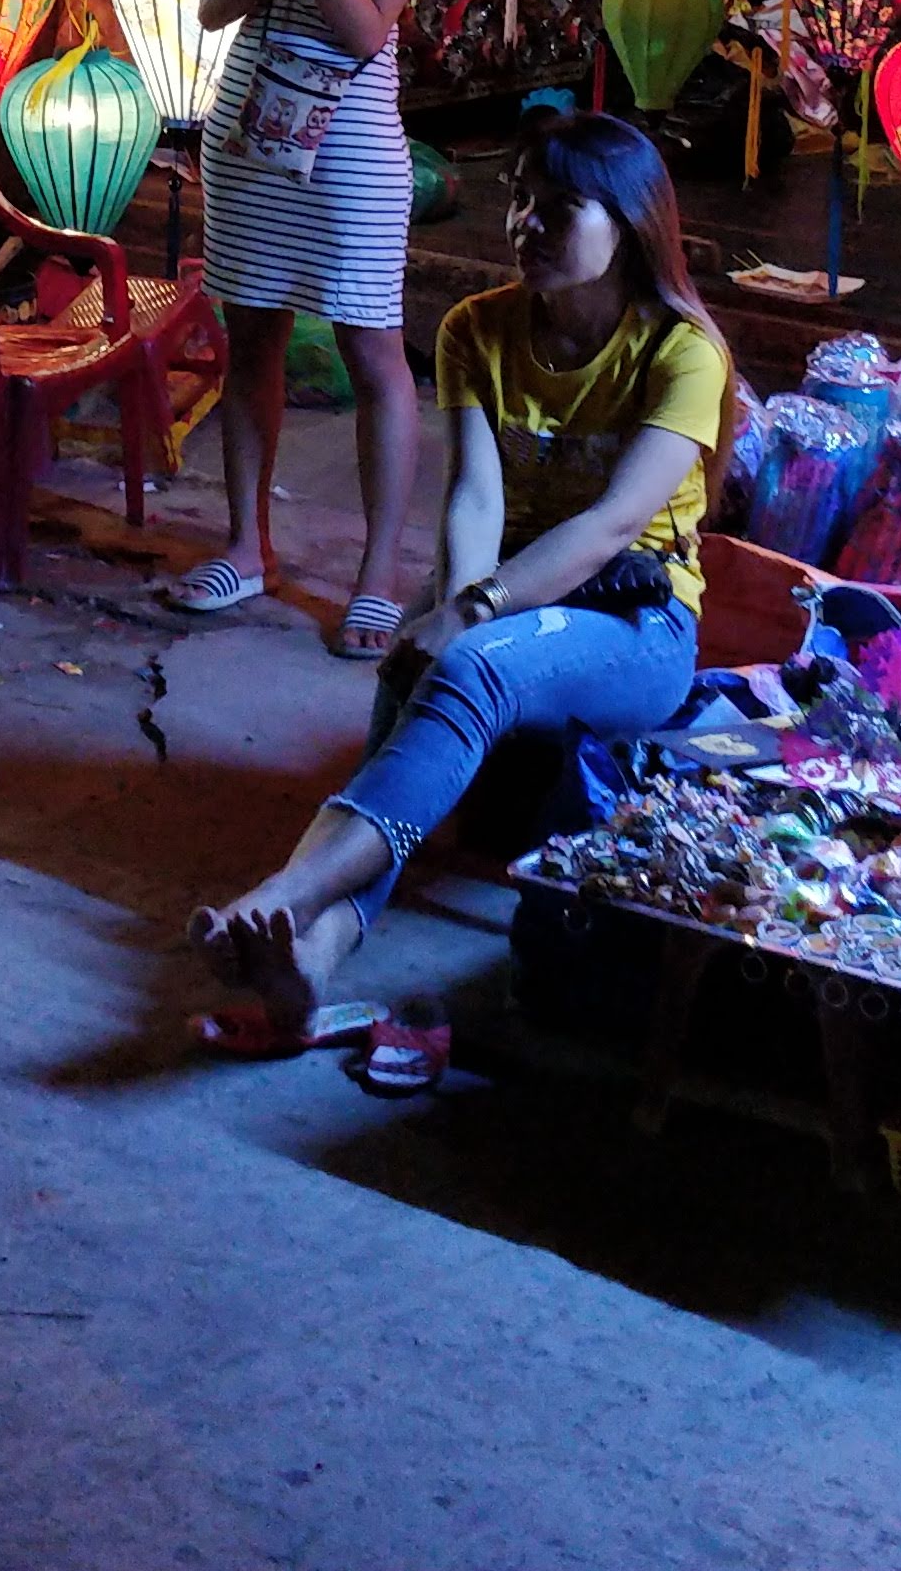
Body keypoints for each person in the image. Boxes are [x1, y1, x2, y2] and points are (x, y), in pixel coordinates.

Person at [190, 112, 730, 1050]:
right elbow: (475, 499)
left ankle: (288, 890)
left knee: (468, 665)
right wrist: (454, 613)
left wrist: (474, 617)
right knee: (421, 674)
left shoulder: (682, 352)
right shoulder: (476, 328)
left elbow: (608, 530)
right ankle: (308, 963)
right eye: (520, 199)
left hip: (635, 625)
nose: (527, 225)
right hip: (517, 602)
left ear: (633, 225)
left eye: (561, 209)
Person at [169, 0, 445, 655]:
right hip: (249, 129)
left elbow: (370, 32)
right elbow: (211, 8)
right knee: (252, 339)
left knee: (374, 350)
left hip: (349, 149)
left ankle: (377, 576)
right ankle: (245, 546)